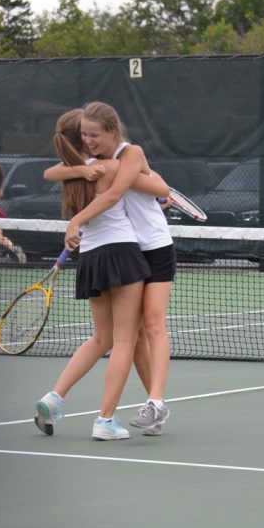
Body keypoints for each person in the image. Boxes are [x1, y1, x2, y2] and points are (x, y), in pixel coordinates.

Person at [35, 108, 173, 437]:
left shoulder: (78, 172)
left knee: (120, 334)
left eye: (94, 134)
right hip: (124, 253)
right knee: (126, 338)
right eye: (85, 135)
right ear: (79, 139)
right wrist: (153, 188)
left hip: (109, 254)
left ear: (112, 130)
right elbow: (123, 191)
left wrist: (153, 192)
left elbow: (49, 174)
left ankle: (58, 399)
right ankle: (106, 419)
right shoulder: (105, 167)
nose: (89, 139)